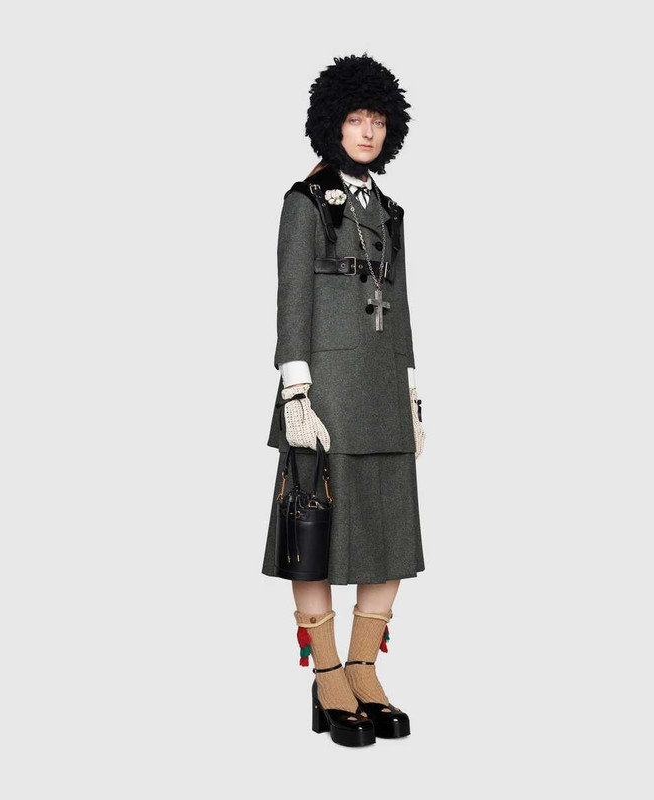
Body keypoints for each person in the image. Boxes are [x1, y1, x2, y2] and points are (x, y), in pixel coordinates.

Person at [261, 53, 426, 746]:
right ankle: (327, 676)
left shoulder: (389, 210)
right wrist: (295, 389)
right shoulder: (304, 202)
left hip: (382, 390)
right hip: (325, 394)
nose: (366, 132)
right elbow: (292, 297)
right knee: (315, 536)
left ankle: (364, 670)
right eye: (356, 119)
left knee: (389, 536)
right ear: (332, 123)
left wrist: (412, 391)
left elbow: (402, 303)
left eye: (377, 121)